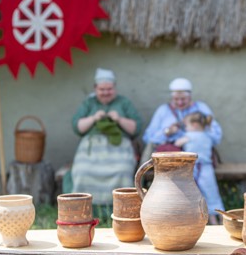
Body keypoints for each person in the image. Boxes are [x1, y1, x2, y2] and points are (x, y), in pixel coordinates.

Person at [69, 68, 143, 205]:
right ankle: (85, 207)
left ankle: (120, 207)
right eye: (102, 89)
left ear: (114, 88)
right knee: (82, 171)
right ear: (95, 88)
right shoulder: (89, 103)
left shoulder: (124, 103)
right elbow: (77, 127)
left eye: (109, 89)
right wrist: (93, 118)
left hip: (119, 147)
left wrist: (119, 119)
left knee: (123, 170)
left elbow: (136, 128)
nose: (105, 93)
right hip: (92, 149)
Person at [142, 77, 222, 157]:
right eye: (176, 99)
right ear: (171, 98)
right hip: (169, 157)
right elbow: (147, 138)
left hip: (197, 156)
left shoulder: (201, 107)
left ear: (190, 97)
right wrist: (167, 132)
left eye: (183, 99)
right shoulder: (163, 110)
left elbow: (216, 136)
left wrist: (192, 135)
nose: (180, 102)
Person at [174, 111, 225, 225]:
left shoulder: (189, 136)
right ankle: (221, 219)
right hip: (207, 168)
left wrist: (177, 132)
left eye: (187, 126)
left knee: (197, 194)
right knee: (212, 193)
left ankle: (209, 220)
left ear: (195, 125)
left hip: (194, 167)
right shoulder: (208, 135)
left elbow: (177, 143)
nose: (186, 128)